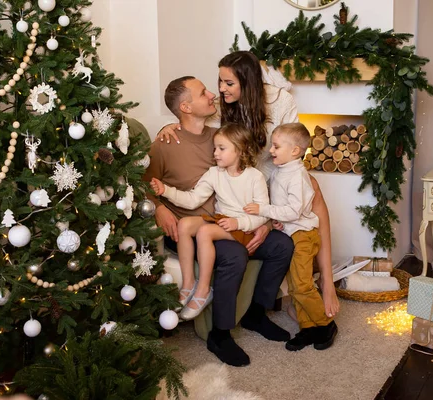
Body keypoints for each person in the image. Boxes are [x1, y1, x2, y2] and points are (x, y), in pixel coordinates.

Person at [157, 51, 340, 320]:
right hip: (243, 179)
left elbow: (291, 144)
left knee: (312, 190)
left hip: (272, 170)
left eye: (228, 83)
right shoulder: (221, 106)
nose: (220, 89)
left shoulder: (280, 101)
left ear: (249, 82)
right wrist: (168, 126)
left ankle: (326, 280)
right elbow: (191, 118)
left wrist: (272, 199)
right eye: (219, 81)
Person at [144, 76, 294, 367]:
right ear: (186, 107)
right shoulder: (165, 143)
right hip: (190, 227)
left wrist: (261, 223)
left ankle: (255, 314)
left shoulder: (221, 137)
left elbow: (250, 177)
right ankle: (220, 334)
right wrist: (158, 206)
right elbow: (142, 184)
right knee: (235, 255)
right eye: (203, 93)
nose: (212, 94)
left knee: (282, 245)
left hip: (231, 221)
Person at [150, 123, 269, 321]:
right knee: (185, 224)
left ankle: (204, 290)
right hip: (222, 221)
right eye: (215, 148)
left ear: (239, 150)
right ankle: (189, 284)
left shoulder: (255, 177)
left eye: (222, 149)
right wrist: (166, 191)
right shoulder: (215, 174)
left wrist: (238, 223)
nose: (215, 153)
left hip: (244, 226)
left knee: (205, 232)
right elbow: (193, 199)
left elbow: (263, 213)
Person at [244, 123, 338, 351]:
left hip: (303, 237)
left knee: (302, 285)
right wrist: (278, 221)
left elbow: (295, 211)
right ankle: (308, 328)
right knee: (297, 285)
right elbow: (287, 209)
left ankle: (326, 324)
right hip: (292, 231)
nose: (271, 151)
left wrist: (263, 210)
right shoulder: (281, 170)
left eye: (276, 146)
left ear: (295, 151)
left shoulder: (297, 176)